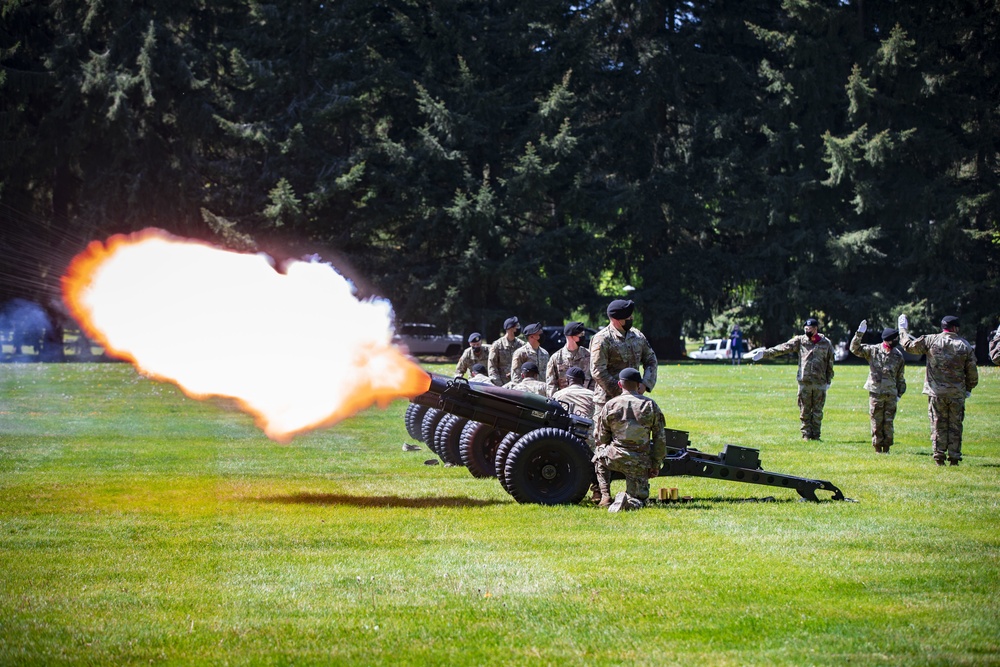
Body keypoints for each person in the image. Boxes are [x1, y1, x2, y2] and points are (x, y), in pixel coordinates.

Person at [898, 314, 979, 466]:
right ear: (955, 328)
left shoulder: (931, 340)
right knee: (955, 425)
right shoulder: (964, 345)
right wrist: (969, 388)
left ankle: (939, 456)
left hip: (936, 393)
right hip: (956, 393)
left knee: (937, 424)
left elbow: (908, 346)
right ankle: (954, 457)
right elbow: (972, 372)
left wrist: (903, 329)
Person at [592, 368, 667, 509]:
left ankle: (605, 495)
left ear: (620, 384)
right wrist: (655, 465)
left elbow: (602, 437)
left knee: (599, 453)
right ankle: (629, 499)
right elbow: (660, 440)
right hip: (640, 462)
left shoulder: (610, 405)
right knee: (638, 499)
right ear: (639, 385)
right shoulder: (650, 405)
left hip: (615, 458)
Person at [752, 317, 835, 440]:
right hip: (804, 382)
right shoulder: (800, 341)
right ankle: (806, 435)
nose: (807, 331)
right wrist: (765, 353)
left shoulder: (825, 343)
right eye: (805, 329)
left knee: (817, 411)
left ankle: (816, 435)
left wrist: (829, 379)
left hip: (820, 382)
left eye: (810, 329)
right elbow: (783, 348)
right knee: (804, 410)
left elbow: (830, 362)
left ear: (816, 329)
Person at [590, 299, 657, 419]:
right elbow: (598, 371)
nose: (631, 318)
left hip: (635, 400)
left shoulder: (637, 336)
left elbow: (651, 359)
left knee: (633, 436)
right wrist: (622, 391)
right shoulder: (602, 339)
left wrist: (645, 383)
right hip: (608, 402)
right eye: (628, 316)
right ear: (616, 319)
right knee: (604, 437)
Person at [850, 321, 906, 453]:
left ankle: (886, 447)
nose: (897, 340)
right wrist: (859, 334)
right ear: (889, 340)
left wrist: (899, 393)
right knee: (876, 421)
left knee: (888, 421)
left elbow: (900, 376)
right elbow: (854, 349)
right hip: (876, 392)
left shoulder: (898, 355)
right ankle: (877, 447)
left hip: (891, 393)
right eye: (895, 338)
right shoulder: (873, 350)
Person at [546, 321, 592, 396]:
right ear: (571, 337)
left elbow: (595, 380)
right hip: (564, 401)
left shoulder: (589, 355)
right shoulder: (556, 358)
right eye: (581, 335)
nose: (583, 337)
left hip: (585, 400)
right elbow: (551, 384)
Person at [488, 317, 521, 386]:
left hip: (519, 385)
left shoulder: (521, 345)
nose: (518, 328)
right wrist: (500, 386)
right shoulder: (497, 345)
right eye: (517, 326)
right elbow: (492, 367)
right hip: (502, 385)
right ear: (510, 328)